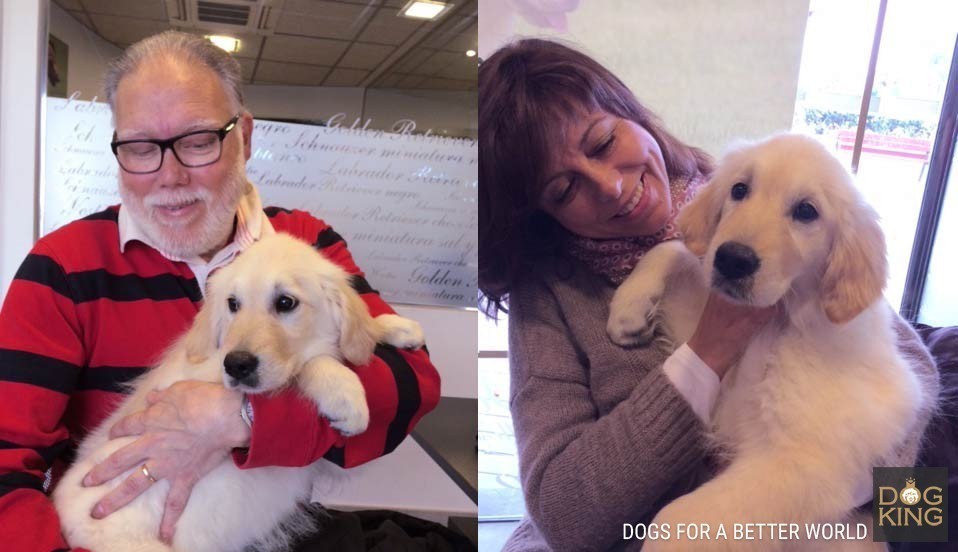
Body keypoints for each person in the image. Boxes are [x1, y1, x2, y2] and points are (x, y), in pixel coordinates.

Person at [478, 39, 934, 552]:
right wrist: (706, 354)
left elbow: (912, 392)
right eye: (563, 190)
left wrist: (869, 497)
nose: (608, 186)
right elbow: (565, 519)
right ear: (542, 215)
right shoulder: (549, 296)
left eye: (603, 142)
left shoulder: (751, 188)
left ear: (631, 115)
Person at [0, 31, 440, 551]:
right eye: (140, 147)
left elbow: (410, 388)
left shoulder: (305, 241)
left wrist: (239, 420)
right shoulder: (63, 266)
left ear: (245, 138)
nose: (170, 175)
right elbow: (6, 463)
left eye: (197, 140)